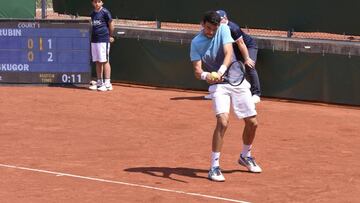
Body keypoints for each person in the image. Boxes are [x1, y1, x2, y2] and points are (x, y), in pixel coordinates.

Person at [190, 11, 262, 182]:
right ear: (202, 23)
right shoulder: (195, 43)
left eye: (213, 29)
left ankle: (245, 156)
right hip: (219, 86)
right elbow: (197, 70)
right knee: (223, 121)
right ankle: (214, 167)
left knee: (252, 123)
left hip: (236, 79)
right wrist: (206, 76)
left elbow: (229, 52)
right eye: (208, 28)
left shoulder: (223, 29)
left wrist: (221, 70)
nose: (211, 32)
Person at [204, 10, 261, 104]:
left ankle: (256, 94)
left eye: (220, 19)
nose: (218, 22)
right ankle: (218, 91)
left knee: (249, 66)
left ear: (226, 18)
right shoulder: (217, 28)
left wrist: (246, 58)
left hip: (248, 46)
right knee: (225, 65)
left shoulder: (233, 28)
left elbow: (241, 43)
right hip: (234, 48)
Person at [89, 0, 115, 91]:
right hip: (94, 40)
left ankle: (108, 83)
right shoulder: (92, 14)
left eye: (99, 1)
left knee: (105, 61)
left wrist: (111, 36)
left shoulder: (105, 12)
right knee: (97, 61)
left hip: (103, 40)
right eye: (95, 2)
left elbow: (111, 24)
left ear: (102, 3)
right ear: (92, 3)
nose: (97, 3)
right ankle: (99, 82)